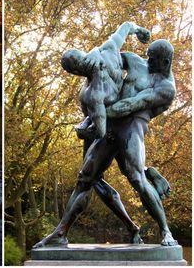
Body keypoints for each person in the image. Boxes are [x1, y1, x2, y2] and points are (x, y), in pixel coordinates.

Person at [34, 24, 178, 248]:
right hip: (109, 125)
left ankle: (165, 231)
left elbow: (131, 104)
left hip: (133, 126)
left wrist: (96, 115)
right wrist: (92, 55)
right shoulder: (136, 62)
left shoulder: (166, 88)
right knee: (86, 179)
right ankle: (60, 233)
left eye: (152, 59)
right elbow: (105, 58)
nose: (147, 61)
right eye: (147, 56)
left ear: (165, 63)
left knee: (135, 177)